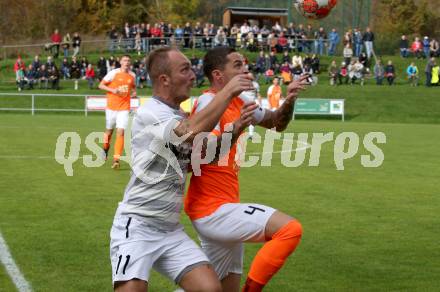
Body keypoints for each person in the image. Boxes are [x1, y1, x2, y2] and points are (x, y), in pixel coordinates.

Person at [109, 47, 255, 292]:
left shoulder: (177, 114)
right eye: (185, 69)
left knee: (210, 289)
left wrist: (237, 128)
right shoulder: (151, 112)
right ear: (164, 80)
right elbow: (190, 131)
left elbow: (207, 153)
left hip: (169, 230)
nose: (193, 76)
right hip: (137, 226)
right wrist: (228, 91)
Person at [184, 47, 308, 292]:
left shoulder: (240, 100)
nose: (246, 70)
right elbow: (200, 154)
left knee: (219, 288)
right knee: (289, 230)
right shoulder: (209, 102)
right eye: (238, 65)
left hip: (223, 205)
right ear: (219, 76)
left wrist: (290, 98)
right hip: (211, 209)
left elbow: (276, 123)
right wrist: (238, 128)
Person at [98, 55, 137, 169]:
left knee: (121, 132)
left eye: (129, 60)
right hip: (111, 107)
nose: (127, 62)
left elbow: (133, 88)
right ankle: (105, 148)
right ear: (120, 62)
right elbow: (100, 85)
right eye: (125, 60)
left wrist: (134, 93)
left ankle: (116, 160)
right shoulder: (113, 73)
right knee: (109, 131)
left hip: (124, 108)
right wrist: (113, 90)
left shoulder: (132, 75)